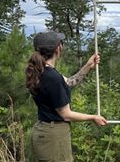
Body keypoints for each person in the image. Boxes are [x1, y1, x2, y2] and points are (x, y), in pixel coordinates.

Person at [25, 30, 107, 162]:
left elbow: (68, 82)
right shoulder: (52, 77)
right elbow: (66, 114)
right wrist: (93, 117)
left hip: (44, 131)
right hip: (53, 134)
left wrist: (88, 66)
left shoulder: (41, 71)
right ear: (58, 48)